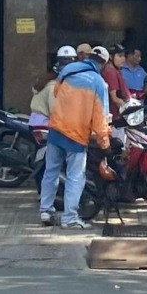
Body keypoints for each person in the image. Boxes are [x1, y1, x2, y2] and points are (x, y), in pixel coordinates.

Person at [39, 46, 112, 229]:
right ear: (103, 64)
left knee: (51, 172)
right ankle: (69, 218)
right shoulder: (99, 83)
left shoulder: (68, 70)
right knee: (75, 176)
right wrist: (105, 143)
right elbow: (100, 117)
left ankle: (45, 211)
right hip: (77, 136)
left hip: (56, 129)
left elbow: (56, 93)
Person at [30, 45, 76, 129]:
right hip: (44, 125)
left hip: (36, 122)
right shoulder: (54, 86)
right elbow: (55, 112)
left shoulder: (46, 81)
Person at [103, 44, 130, 118]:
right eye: (120, 56)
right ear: (111, 57)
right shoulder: (110, 72)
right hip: (115, 117)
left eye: (124, 56)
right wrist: (129, 111)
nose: (123, 59)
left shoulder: (116, 70)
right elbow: (115, 99)